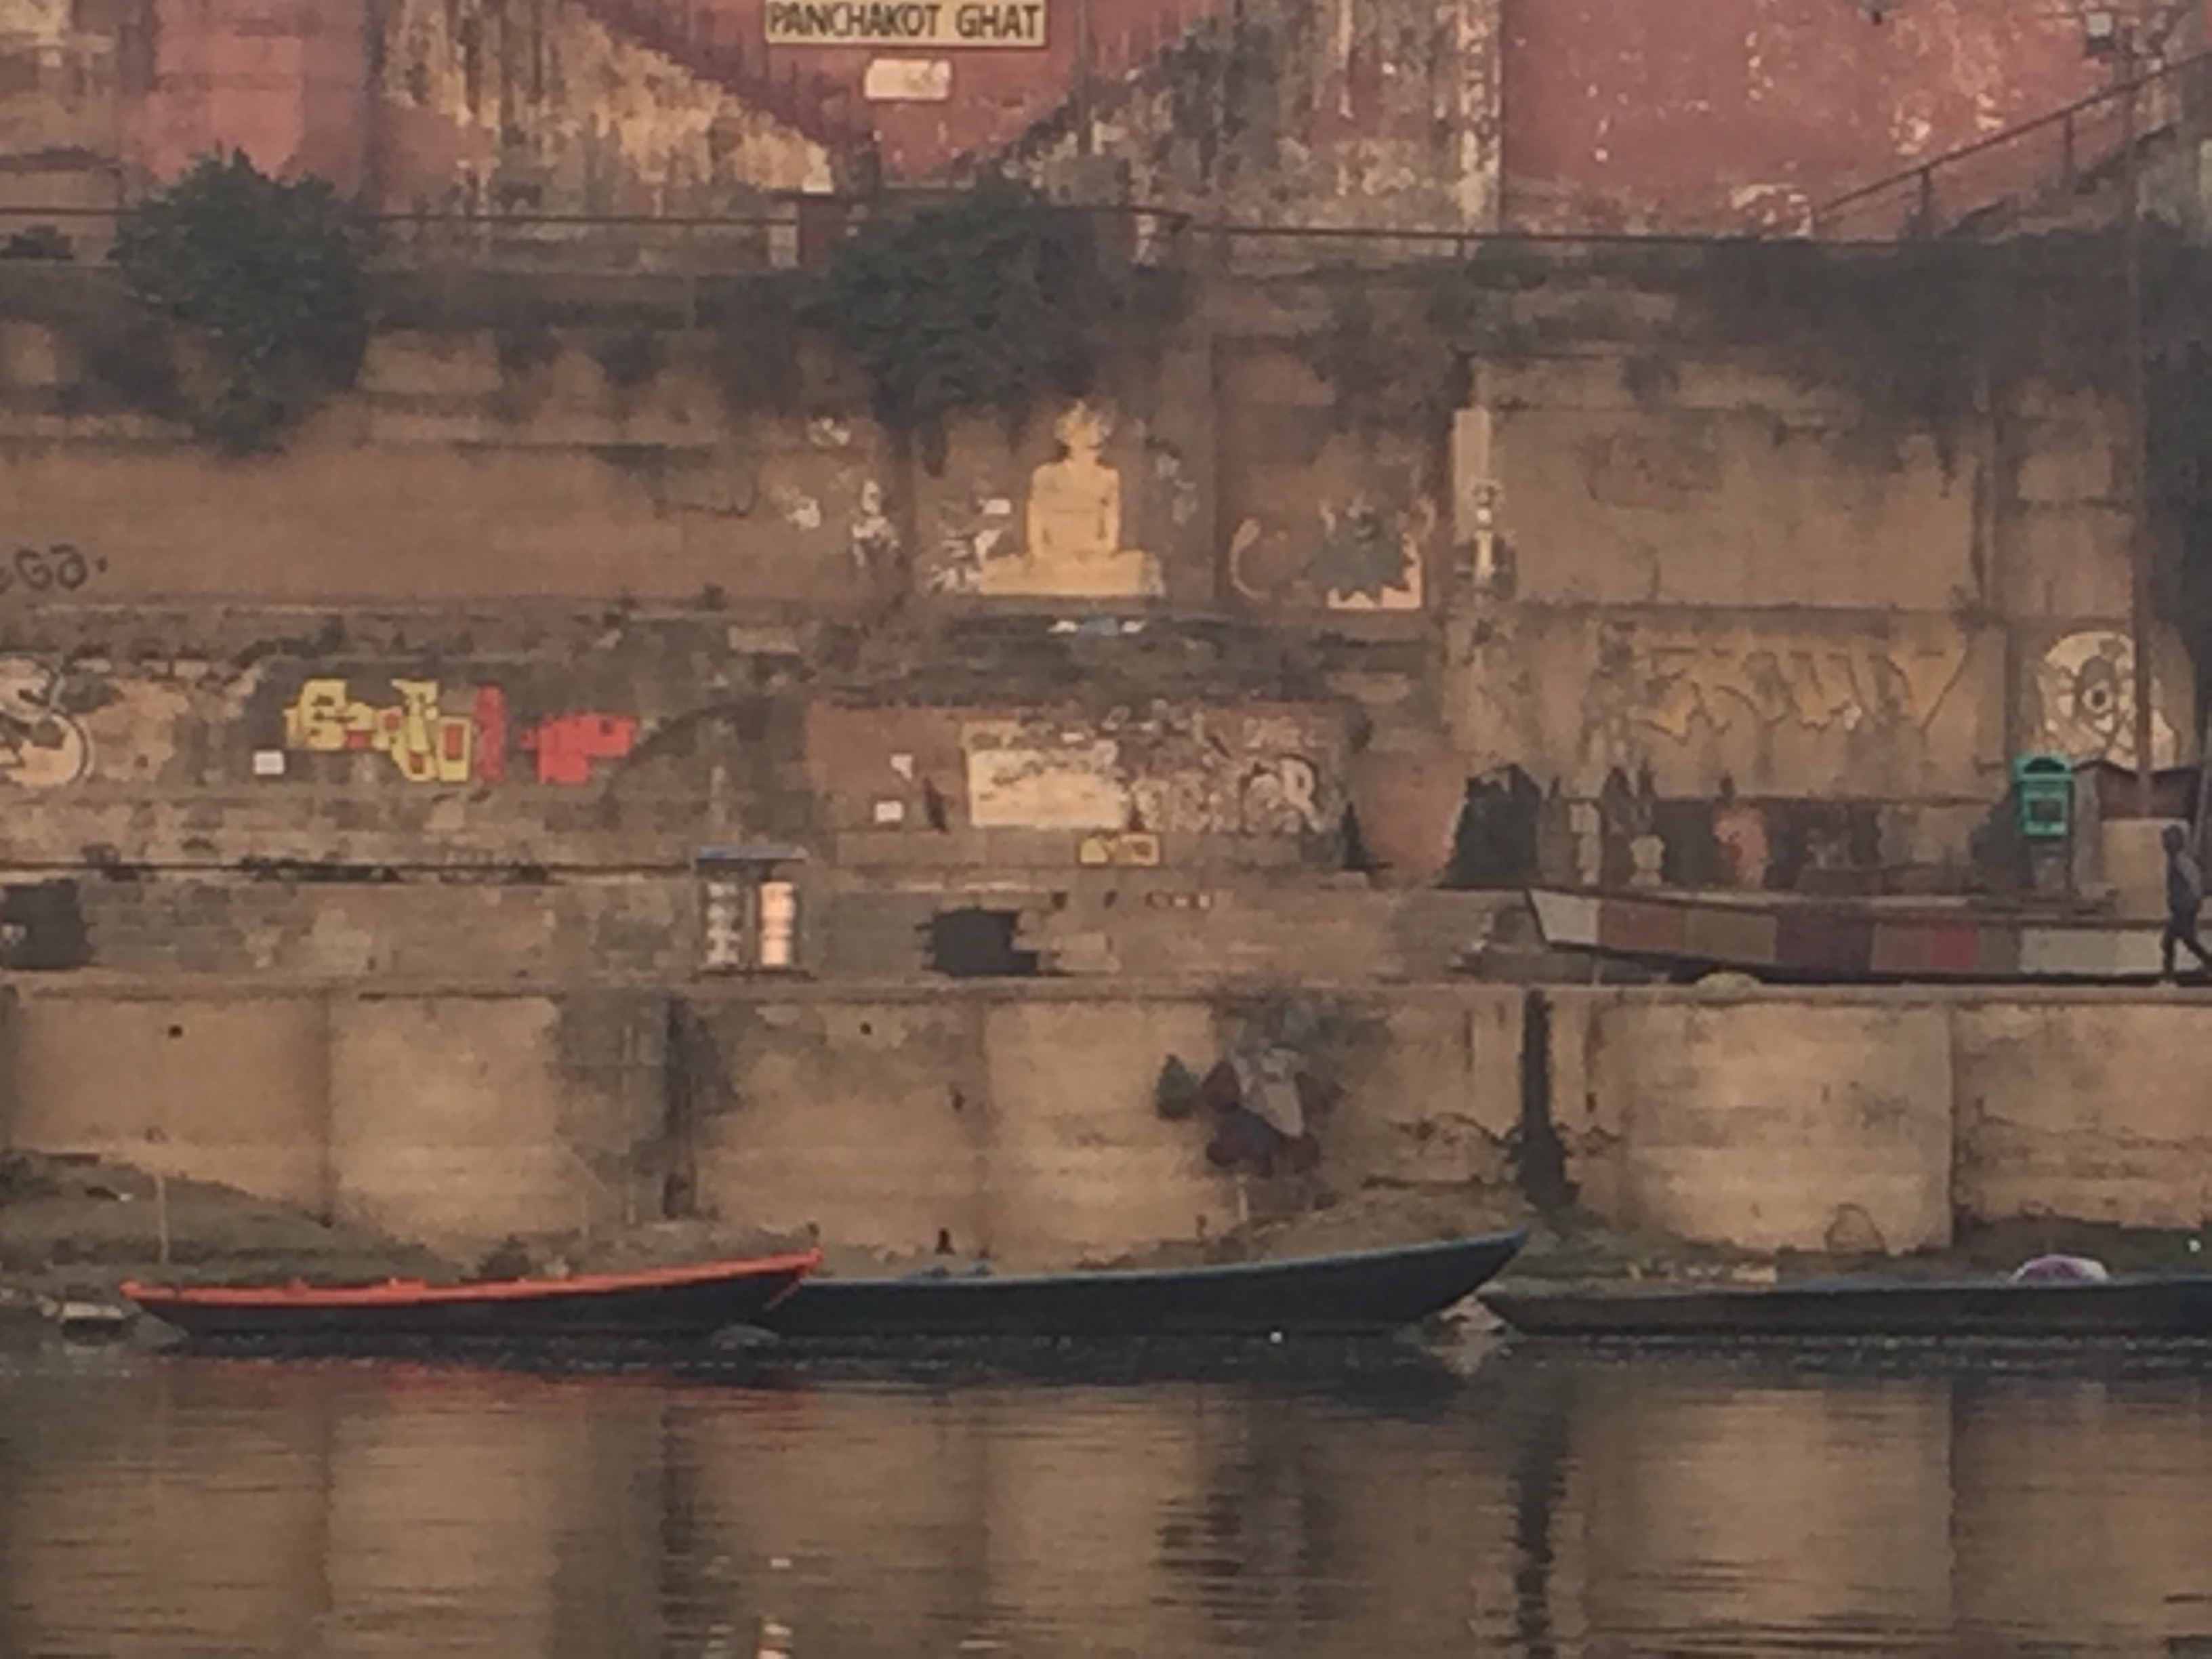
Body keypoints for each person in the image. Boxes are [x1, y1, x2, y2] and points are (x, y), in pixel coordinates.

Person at [2162, 822, 2212, 981]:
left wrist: (2193, 903)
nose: (2165, 845)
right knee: (2180, 939)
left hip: (2185, 908)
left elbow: (2195, 884)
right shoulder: (2174, 862)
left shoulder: (2183, 862)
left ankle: (2169, 973)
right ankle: (2169, 972)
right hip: (2180, 908)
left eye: (2168, 841)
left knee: (2173, 939)